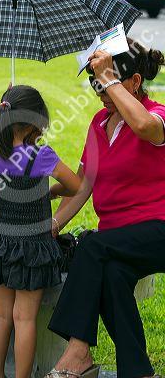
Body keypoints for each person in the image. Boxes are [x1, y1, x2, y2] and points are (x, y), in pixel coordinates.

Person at [44, 39, 165, 378]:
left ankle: (77, 352)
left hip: (158, 229)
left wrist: (110, 78)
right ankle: (138, 372)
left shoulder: (156, 116)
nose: (99, 89)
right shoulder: (99, 123)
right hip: (118, 242)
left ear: (135, 82)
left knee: (90, 245)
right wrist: (53, 223)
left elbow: (144, 127)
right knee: (111, 275)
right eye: (95, 82)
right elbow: (84, 184)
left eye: (106, 80)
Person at [0, 85, 82, 378]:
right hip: (32, 248)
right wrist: (53, 192)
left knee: (1, 316)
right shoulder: (41, 156)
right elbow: (78, 186)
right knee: (24, 320)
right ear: (35, 123)